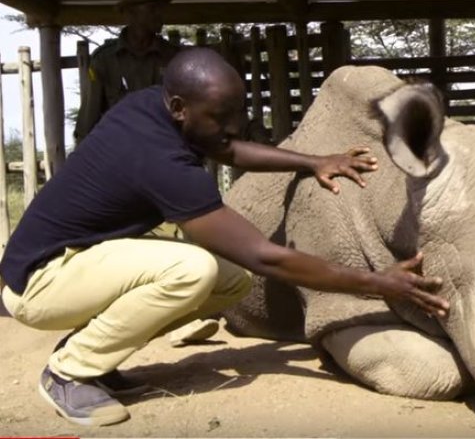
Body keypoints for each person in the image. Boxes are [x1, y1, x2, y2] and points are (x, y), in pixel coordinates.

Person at [0, 48, 449, 427]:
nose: (234, 126)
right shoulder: (162, 163)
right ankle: (68, 372)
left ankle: (91, 352)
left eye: (238, 112)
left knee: (231, 280)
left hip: (81, 260)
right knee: (193, 269)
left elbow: (227, 148)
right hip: (42, 281)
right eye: (221, 116)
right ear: (180, 107)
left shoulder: (151, 108)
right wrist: (378, 282)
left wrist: (313, 161)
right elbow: (265, 257)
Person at [74, 0, 179, 144]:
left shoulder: (174, 58)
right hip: (119, 159)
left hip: (163, 156)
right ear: (130, 13)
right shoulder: (104, 61)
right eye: (153, 8)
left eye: (161, 7)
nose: (160, 14)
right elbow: (87, 125)